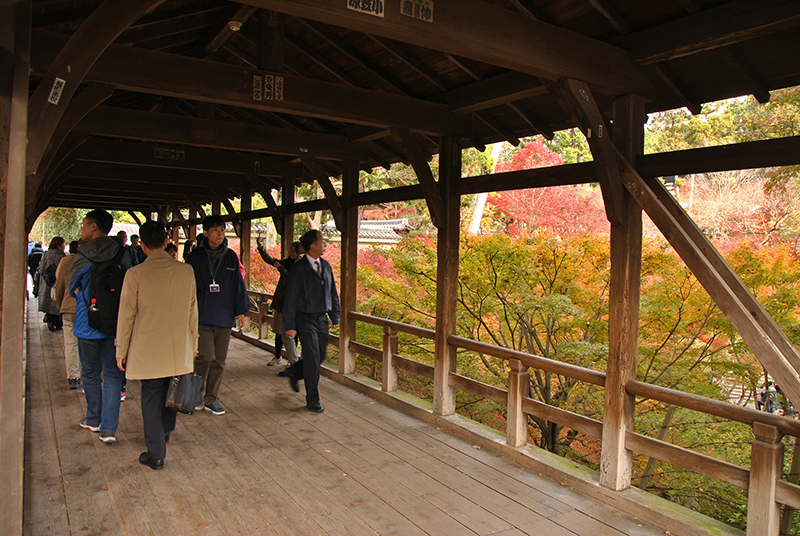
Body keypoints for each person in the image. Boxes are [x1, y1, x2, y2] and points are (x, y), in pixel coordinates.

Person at [116, 221, 198, 470]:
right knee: (172, 391)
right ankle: (164, 431)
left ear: (141, 245)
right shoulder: (186, 271)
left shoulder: (135, 274)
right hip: (177, 347)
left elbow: (127, 314)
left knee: (151, 398)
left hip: (148, 349)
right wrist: (194, 343)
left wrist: (121, 350)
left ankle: (156, 454)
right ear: (165, 242)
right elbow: (193, 311)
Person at [69, 209, 131, 444]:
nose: (82, 229)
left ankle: (93, 418)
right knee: (114, 375)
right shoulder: (123, 254)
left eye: (84, 225)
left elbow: (71, 288)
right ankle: (109, 429)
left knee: (91, 373)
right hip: (116, 324)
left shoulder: (83, 254)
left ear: (94, 227)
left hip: (88, 324)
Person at [185, 215, 249, 415]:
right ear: (205, 232)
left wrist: (240, 311)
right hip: (201, 315)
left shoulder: (230, 256)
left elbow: (238, 285)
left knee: (219, 359)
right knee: (204, 356)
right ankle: (196, 394)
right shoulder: (194, 257)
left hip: (223, 314)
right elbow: (187, 287)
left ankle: (211, 398)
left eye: (222, 229)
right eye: (215, 229)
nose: (220, 233)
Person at [282, 230, 340, 413]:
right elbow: (290, 297)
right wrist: (290, 325)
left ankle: (295, 371)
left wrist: (335, 315)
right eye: (322, 242)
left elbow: (333, 292)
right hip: (305, 318)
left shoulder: (326, 266)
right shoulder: (299, 269)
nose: (325, 245)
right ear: (312, 246)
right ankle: (313, 398)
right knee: (313, 357)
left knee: (319, 356)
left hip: (322, 317)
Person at [256, 239, 303, 367]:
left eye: (295, 250)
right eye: (291, 249)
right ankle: (277, 356)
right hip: (281, 303)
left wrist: (281, 269)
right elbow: (271, 261)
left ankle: (292, 359)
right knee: (278, 331)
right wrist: (261, 248)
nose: (291, 252)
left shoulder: (301, 265)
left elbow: (293, 279)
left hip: (293, 305)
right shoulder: (286, 262)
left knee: (293, 334)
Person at [55, 240, 82, 389]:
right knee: (84, 342)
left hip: (67, 306)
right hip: (83, 308)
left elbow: (59, 285)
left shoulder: (64, 261)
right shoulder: (86, 261)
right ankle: (86, 374)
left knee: (70, 344)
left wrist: (60, 305)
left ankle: (73, 376)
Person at [37, 236, 67, 331]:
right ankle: (56, 322)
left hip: (46, 282)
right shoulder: (62, 257)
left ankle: (49, 319)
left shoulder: (46, 254)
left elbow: (41, 269)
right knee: (56, 301)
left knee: (48, 301)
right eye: (62, 244)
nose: (64, 247)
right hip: (58, 283)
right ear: (58, 245)